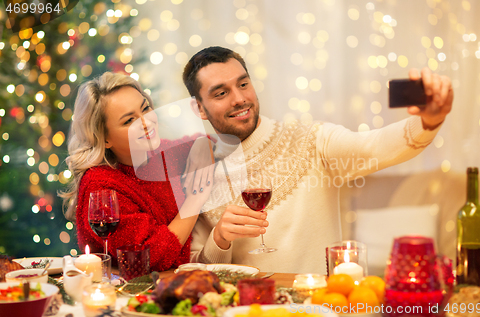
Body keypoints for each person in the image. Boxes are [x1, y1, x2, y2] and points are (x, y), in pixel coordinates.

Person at [183, 46, 453, 274]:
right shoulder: (199, 171)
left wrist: (430, 120)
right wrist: (219, 240)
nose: (240, 99)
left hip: (318, 307)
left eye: (243, 84)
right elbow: (194, 270)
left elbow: (374, 146)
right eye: (221, 93)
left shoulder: (311, 139)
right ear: (199, 109)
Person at [60, 72, 213, 271]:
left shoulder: (159, 154)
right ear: (105, 139)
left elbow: (205, 143)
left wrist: (203, 146)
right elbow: (148, 257)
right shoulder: (100, 184)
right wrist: (194, 200)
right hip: (128, 294)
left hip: (175, 282)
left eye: (145, 108)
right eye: (129, 121)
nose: (146, 122)